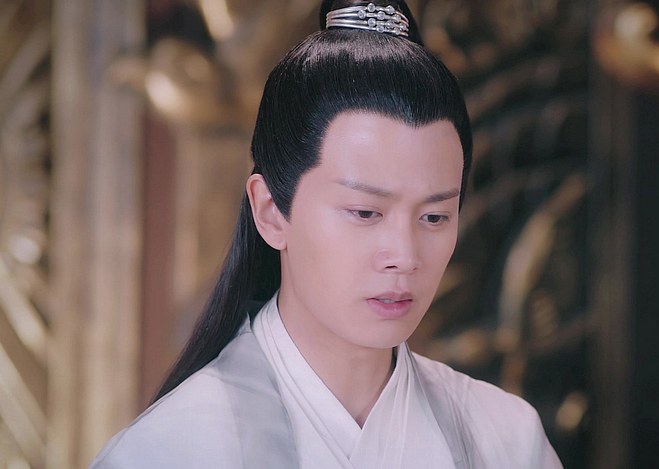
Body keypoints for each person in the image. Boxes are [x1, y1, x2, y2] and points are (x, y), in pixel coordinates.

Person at [91, 1, 563, 467]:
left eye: (435, 217)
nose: (405, 255)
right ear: (271, 212)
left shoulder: (505, 440)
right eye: (365, 212)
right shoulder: (168, 451)